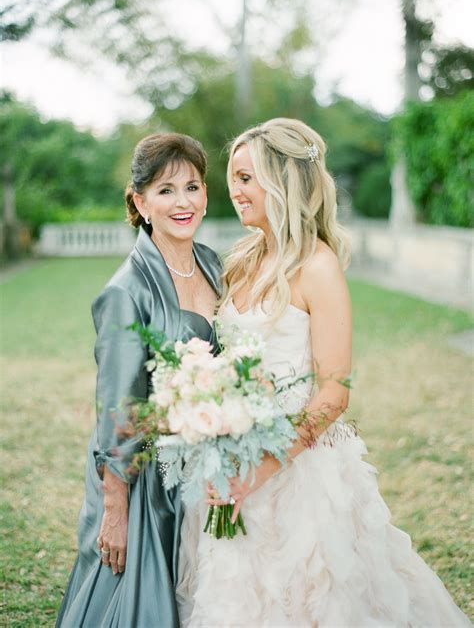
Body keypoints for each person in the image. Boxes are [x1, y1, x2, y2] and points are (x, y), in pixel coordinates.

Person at [176, 118, 471, 627]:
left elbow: (334, 393)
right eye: (234, 177)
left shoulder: (318, 267)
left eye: (246, 178)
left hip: (299, 472)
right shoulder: (241, 261)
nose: (234, 190)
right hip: (227, 460)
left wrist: (256, 470)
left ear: (282, 182)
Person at [56, 133, 221, 628]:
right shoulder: (125, 292)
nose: (183, 201)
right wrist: (115, 508)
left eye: (192, 186)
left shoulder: (213, 264)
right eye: (166, 190)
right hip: (144, 477)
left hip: (201, 464)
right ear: (140, 201)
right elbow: (117, 408)